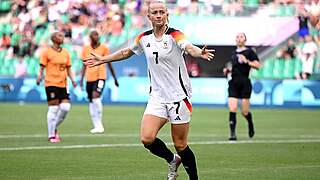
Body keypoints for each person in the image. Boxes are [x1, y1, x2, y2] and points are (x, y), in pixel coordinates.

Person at [84, 1, 214, 179]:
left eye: (162, 12)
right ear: (149, 16)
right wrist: (103, 60)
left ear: (167, 14)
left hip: (178, 98)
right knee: (147, 138)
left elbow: (188, 47)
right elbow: (126, 53)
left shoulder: (175, 35)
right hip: (157, 98)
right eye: (155, 12)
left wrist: (198, 52)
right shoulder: (143, 38)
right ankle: (172, 160)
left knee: (181, 144)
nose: (159, 15)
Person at [36, 31, 77, 143]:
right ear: (53, 39)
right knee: (53, 108)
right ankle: (51, 135)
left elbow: (68, 68)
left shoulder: (66, 53)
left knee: (65, 108)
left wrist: (73, 80)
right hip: (51, 83)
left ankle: (53, 128)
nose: (62, 38)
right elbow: (42, 67)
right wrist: (39, 76)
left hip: (63, 84)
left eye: (62, 36)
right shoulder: (46, 52)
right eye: (59, 36)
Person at [223, 32, 260, 141]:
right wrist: (228, 70)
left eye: (241, 37)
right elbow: (234, 67)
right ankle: (232, 134)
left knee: (244, 112)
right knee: (232, 108)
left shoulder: (249, 52)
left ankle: (250, 122)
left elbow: (257, 65)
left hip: (245, 83)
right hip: (233, 82)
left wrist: (247, 61)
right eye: (237, 37)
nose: (239, 39)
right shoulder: (233, 53)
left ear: (245, 40)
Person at [80, 30, 119, 134]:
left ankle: (99, 124)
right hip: (89, 77)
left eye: (97, 35)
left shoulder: (104, 48)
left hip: (100, 76)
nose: (95, 37)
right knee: (91, 100)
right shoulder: (85, 49)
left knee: (96, 97)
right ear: (90, 37)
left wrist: (115, 78)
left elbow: (109, 62)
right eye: (93, 35)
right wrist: (81, 79)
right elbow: (84, 64)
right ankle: (95, 125)